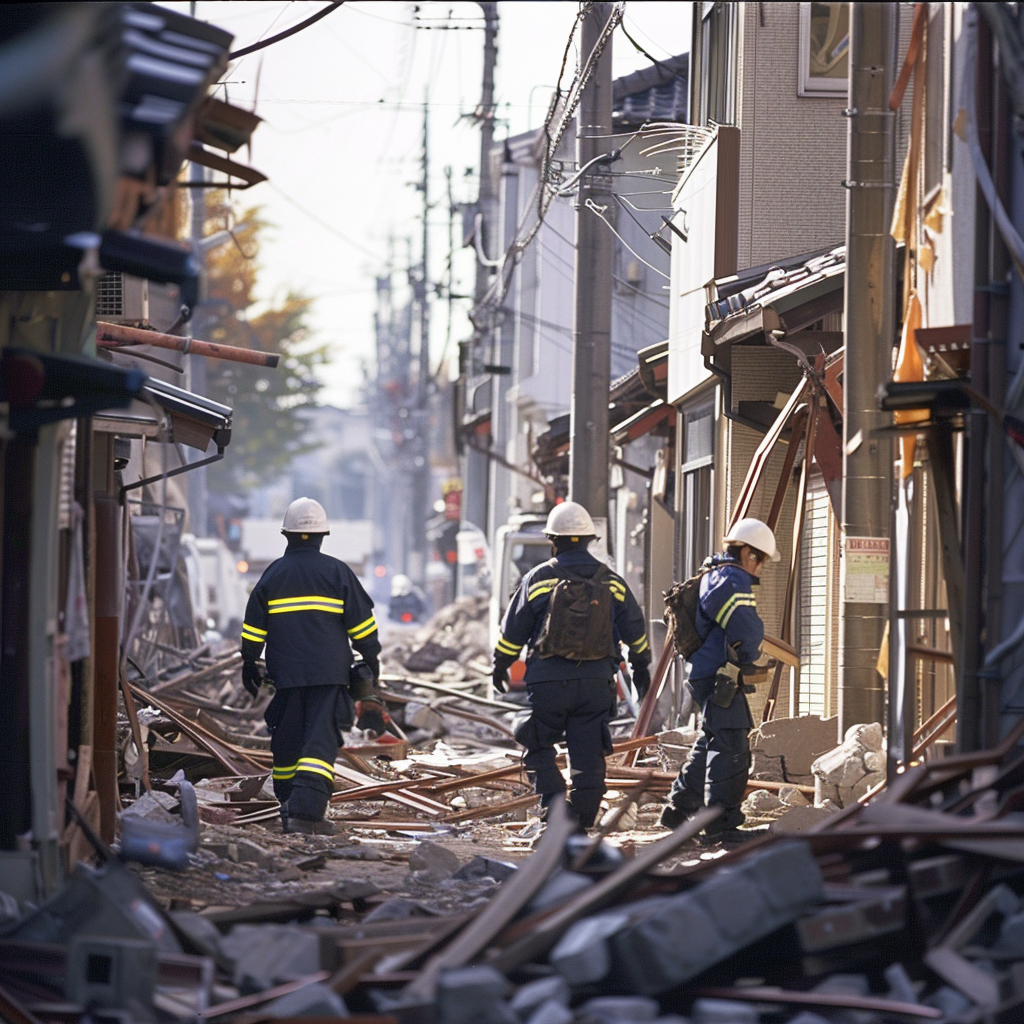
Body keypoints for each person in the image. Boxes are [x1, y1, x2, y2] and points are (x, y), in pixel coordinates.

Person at [491, 501, 651, 831]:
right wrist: (642, 670)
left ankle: (555, 807)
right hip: (596, 683)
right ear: (590, 540)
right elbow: (637, 632)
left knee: (535, 739)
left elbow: (512, 634)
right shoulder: (613, 581)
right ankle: (584, 819)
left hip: (549, 682)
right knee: (589, 750)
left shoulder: (537, 579)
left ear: (553, 539)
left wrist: (500, 666)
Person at [240, 497, 384, 835]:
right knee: (319, 743)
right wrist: (371, 658)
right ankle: (307, 815)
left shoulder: (273, 574)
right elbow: (363, 626)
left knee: (288, 741)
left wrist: (249, 661)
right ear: (322, 536)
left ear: (286, 535)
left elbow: (253, 627)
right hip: (329, 675)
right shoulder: (337, 572)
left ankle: (288, 805)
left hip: (285, 675)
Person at [659, 518, 778, 842]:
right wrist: (746, 656)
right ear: (749, 554)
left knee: (712, 739)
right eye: (762, 560)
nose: (761, 568)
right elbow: (747, 630)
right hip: (718, 676)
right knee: (733, 747)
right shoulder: (730, 579)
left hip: (706, 674)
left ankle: (679, 809)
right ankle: (721, 826)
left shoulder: (715, 575)